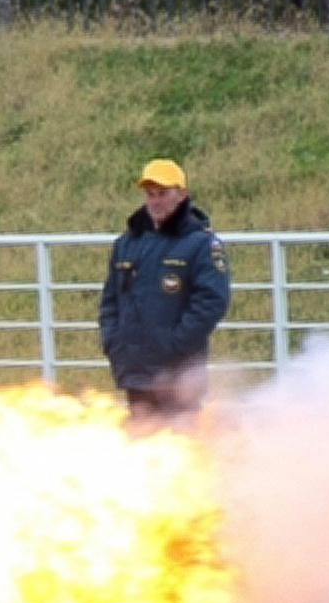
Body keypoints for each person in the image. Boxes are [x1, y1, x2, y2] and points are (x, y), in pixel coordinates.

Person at [98, 159, 231, 432]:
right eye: (150, 194)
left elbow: (211, 301)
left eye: (163, 193)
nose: (155, 201)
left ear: (181, 195)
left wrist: (174, 344)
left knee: (181, 448)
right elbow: (110, 300)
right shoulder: (127, 243)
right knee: (143, 449)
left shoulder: (201, 244)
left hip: (178, 375)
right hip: (135, 371)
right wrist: (113, 341)